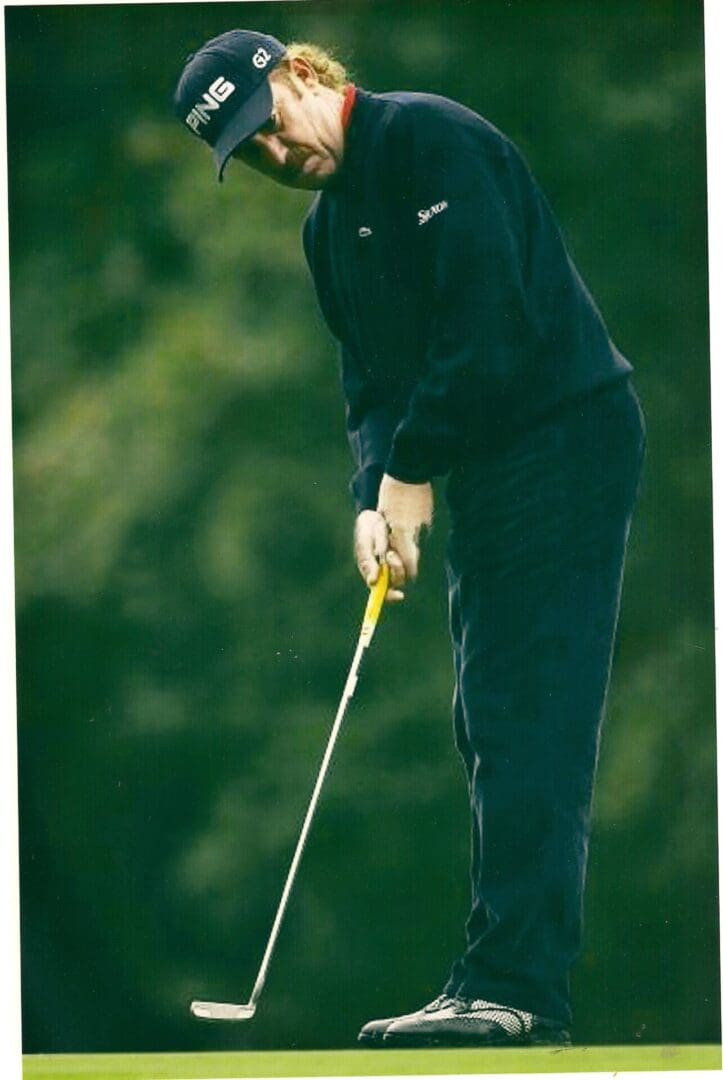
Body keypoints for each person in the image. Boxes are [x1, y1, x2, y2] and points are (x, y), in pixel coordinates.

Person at [173, 29, 646, 1048]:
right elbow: (371, 392)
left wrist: (411, 469)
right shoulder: (328, 235)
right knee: (489, 718)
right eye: (247, 155)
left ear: (301, 74)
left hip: (565, 441)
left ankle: (520, 992)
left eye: (270, 128)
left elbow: (491, 327)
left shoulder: (433, 142)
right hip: (485, 467)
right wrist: (372, 498)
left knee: (530, 715)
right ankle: (492, 980)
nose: (276, 157)